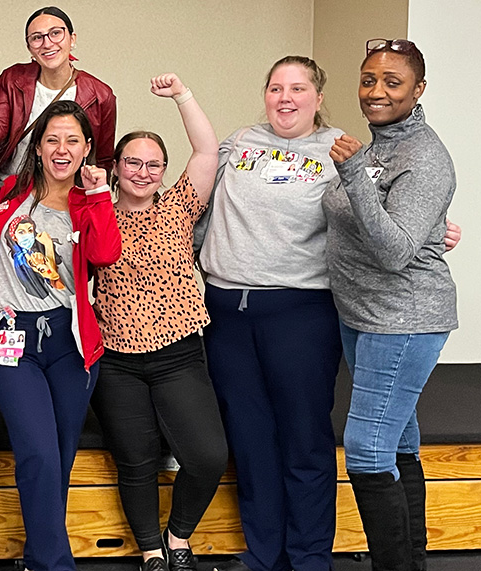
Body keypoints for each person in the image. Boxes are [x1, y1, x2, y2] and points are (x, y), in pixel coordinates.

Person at [195, 56, 345, 571]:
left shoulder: (339, 151)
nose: (286, 98)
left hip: (300, 311)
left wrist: (436, 234)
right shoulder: (239, 143)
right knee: (251, 438)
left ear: (318, 98)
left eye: (298, 88)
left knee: (303, 437)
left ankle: (307, 558)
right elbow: (202, 211)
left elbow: (381, 212)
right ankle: (263, 554)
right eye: (276, 87)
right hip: (228, 311)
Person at [324, 39, 456, 571]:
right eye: (368, 80)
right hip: (362, 313)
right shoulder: (377, 144)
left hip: (402, 316)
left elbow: (395, 251)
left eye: (392, 82)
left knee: (366, 448)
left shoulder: (423, 155)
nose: (376, 92)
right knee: (399, 443)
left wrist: (354, 173)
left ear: (418, 89)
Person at [93, 74, 225, 571]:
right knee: (136, 462)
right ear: (116, 167)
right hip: (116, 361)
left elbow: (207, 149)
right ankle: (151, 550)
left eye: (154, 164)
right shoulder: (96, 213)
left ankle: (178, 537)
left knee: (208, 456)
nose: (143, 172)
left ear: (165, 171)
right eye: (133, 162)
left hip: (179, 355)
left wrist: (182, 96)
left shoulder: (180, 207)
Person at [0, 99, 122, 571]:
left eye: (72, 140)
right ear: (37, 146)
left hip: (70, 344)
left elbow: (106, 254)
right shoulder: (6, 194)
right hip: (12, 341)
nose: (61, 149)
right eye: (52, 139)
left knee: (60, 460)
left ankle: (38, 556)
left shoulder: (90, 203)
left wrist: (102, 195)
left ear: (87, 148)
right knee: (39, 454)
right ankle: (54, 564)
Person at [0, 6, 117, 177]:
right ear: (29, 48)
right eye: (37, 38)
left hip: (65, 195)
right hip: (9, 190)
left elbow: (102, 160)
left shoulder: (100, 95)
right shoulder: (13, 79)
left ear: (72, 39)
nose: (47, 43)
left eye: (56, 33)